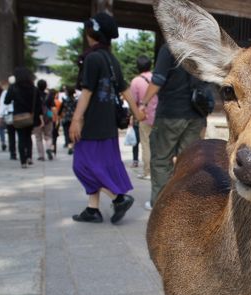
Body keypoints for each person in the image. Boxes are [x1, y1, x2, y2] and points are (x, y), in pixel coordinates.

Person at [68, 12, 144, 224]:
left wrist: (75, 120)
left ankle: (118, 198)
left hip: (92, 123)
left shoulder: (92, 58)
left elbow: (87, 92)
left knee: (82, 165)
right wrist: (137, 113)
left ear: (93, 33)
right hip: (108, 124)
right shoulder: (111, 59)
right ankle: (92, 209)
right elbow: (124, 89)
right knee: (99, 164)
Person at [139, 43, 209, 210]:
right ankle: (184, 204)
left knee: (161, 160)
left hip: (170, 113)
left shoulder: (170, 48)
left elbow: (158, 79)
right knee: (189, 162)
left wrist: (144, 103)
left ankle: (160, 205)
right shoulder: (200, 49)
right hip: (196, 114)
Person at [4, 67, 44, 168]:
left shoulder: (13, 88)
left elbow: (6, 101)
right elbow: (39, 105)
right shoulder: (34, 89)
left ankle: (23, 161)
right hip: (30, 117)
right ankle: (29, 156)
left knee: (21, 137)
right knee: (28, 136)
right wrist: (39, 118)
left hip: (18, 117)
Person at [129, 54, 157, 179]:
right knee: (160, 145)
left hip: (144, 116)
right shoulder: (156, 78)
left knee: (146, 145)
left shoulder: (136, 81)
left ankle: (148, 172)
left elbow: (133, 101)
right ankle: (159, 172)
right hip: (160, 117)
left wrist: (134, 115)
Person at [33, 79, 53, 161]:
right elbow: (52, 108)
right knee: (48, 136)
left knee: (38, 138)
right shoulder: (48, 96)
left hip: (37, 118)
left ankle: (41, 155)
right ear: (45, 86)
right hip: (47, 117)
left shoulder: (34, 96)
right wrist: (50, 117)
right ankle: (48, 148)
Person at [0, 77, 17, 160]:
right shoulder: (21, 90)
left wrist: (1, 115)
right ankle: (24, 151)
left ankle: (13, 152)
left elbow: (3, 104)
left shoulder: (6, 92)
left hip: (9, 114)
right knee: (21, 133)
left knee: (11, 134)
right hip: (19, 113)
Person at [58, 86, 77, 153]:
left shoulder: (64, 101)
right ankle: (73, 145)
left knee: (66, 133)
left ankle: (69, 145)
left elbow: (60, 111)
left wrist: (59, 116)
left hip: (66, 118)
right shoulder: (76, 100)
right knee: (74, 133)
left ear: (67, 92)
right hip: (74, 119)